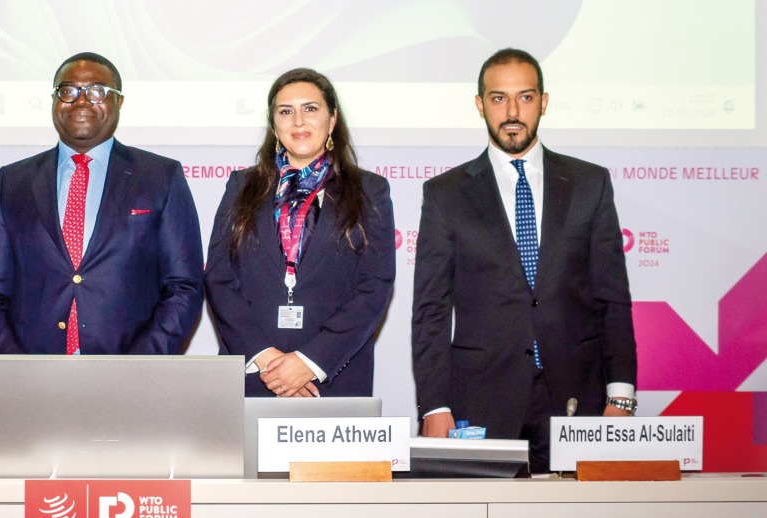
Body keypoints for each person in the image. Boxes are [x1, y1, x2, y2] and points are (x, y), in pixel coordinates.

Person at [411, 48, 637, 473]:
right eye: (498, 98)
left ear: (544, 102)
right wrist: (434, 405)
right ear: (479, 105)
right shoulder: (445, 193)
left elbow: (612, 299)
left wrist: (620, 394)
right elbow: (430, 310)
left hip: (577, 395)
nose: (512, 111)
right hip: (479, 400)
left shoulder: (590, 183)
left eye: (526, 97)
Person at [0, 52, 204, 354]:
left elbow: (184, 286)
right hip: (32, 377)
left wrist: (141, 365)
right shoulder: (13, 182)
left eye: (97, 91)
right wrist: (17, 368)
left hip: (130, 374)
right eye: (67, 91)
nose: (80, 101)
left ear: (118, 101)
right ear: (54, 101)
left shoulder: (160, 177)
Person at [206, 68, 396, 397]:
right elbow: (219, 278)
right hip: (253, 376)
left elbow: (374, 286)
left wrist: (310, 362)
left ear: (332, 120)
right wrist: (267, 360)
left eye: (310, 109)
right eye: (285, 111)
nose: (298, 122)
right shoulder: (241, 187)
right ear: (273, 124)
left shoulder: (369, 190)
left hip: (333, 377)